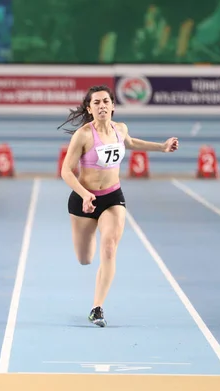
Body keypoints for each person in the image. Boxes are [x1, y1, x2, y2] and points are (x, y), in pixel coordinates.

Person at [58, 85, 178, 327]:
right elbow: (66, 171)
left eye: (106, 101)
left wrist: (161, 147)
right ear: (89, 109)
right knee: (85, 258)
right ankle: (89, 244)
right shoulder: (82, 135)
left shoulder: (120, 129)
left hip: (112, 197)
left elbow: (131, 142)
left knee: (110, 247)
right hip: (84, 199)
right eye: (96, 103)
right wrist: (84, 194)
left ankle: (97, 307)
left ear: (113, 105)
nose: (102, 106)